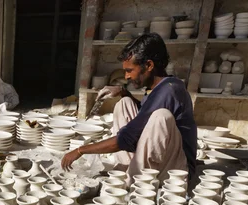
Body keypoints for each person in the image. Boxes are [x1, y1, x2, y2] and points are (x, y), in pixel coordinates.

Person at [61, 33, 197, 183]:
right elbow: (143, 116)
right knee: (124, 103)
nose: (126, 76)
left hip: (177, 170)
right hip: (162, 160)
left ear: (149, 65)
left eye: (130, 70)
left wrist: (81, 150)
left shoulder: (169, 91)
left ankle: (135, 180)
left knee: (161, 117)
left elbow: (128, 137)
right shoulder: (159, 86)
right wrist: (124, 92)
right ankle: (127, 167)